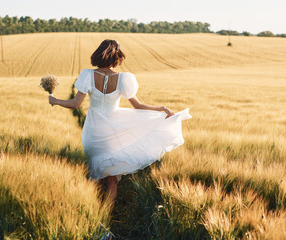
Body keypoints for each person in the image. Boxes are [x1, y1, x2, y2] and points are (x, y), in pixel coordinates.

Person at [48, 39, 191, 203]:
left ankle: (93, 210)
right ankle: (106, 214)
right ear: (117, 58)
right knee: (111, 178)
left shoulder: (87, 75)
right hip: (113, 130)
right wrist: (162, 109)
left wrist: (55, 100)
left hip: (93, 131)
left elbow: (74, 105)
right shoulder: (124, 79)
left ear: (97, 54)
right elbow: (138, 106)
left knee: (97, 175)